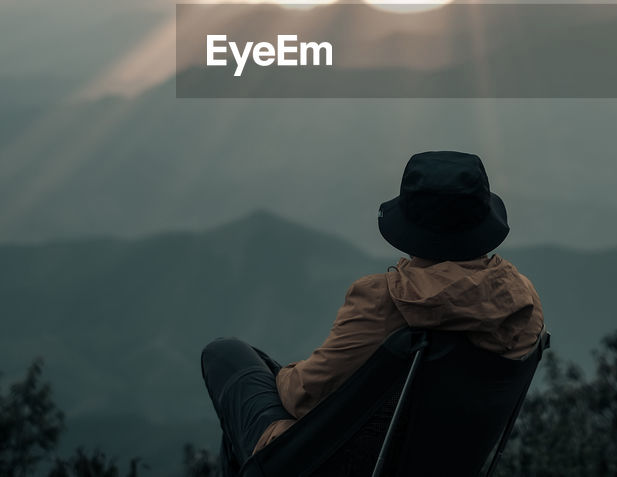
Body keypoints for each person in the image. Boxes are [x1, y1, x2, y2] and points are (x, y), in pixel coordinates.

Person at [200, 150, 546, 473]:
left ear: (410, 225)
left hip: (327, 463)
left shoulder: (385, 301)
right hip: (432, 465)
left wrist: (286, 373)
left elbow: (302, 397)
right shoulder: (522, 304)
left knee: (227, 355)